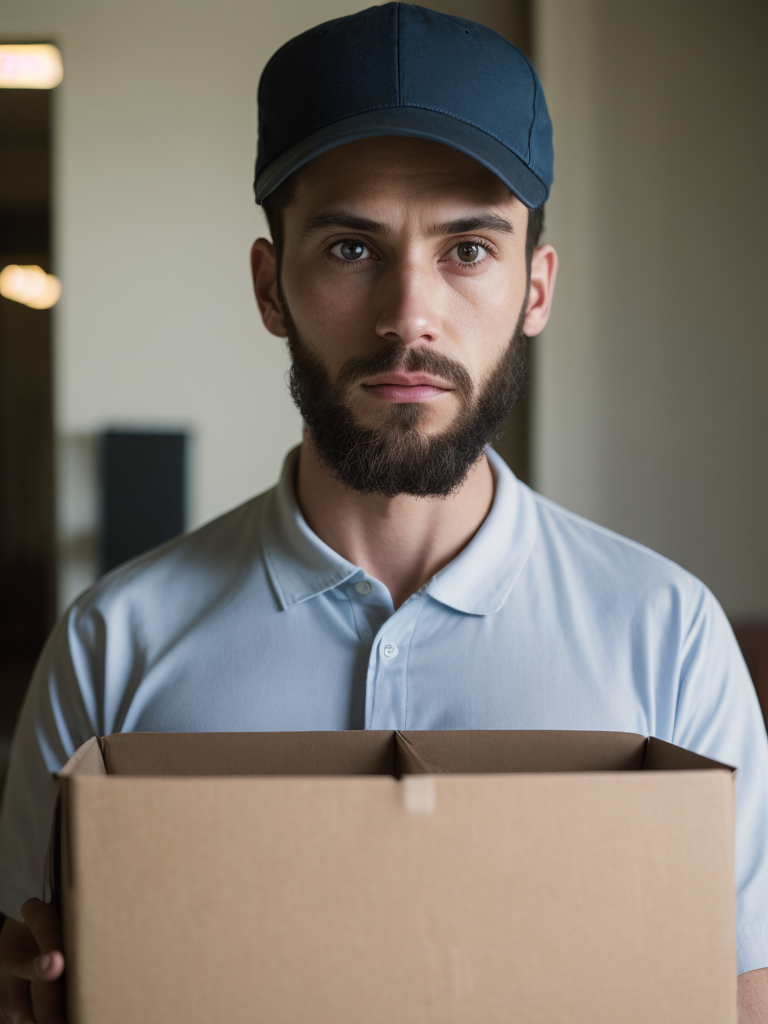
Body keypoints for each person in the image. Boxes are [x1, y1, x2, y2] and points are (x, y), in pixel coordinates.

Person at [1, 4, 767, 1021]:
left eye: (467, 250)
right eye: (352, 249)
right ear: (272, 287)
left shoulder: (667, 638)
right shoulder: (112, 644)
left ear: (536, 286)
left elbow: (740, 987)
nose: (411, 312)